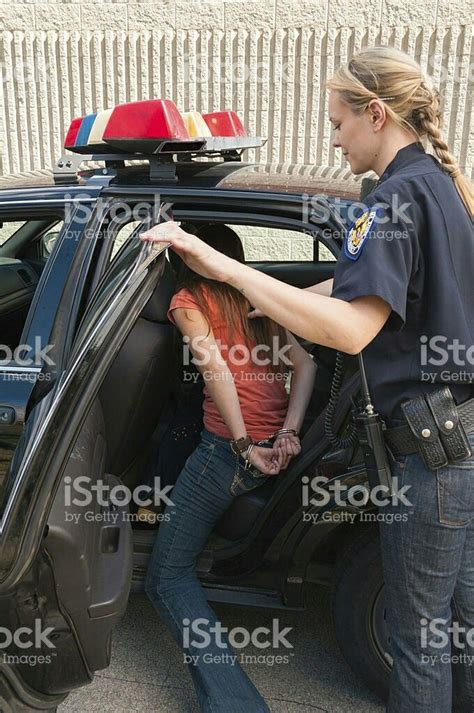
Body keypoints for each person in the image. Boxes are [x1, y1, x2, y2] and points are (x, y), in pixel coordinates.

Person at [141, 47, 474, 713]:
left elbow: (350, 330)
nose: (333, 136)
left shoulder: (392, 198)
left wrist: (227, 269)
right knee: (457, 626)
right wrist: (278, 299)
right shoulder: (438, 185)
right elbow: (369, 294)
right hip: (458, 441)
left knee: (419, 648)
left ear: (375, 114)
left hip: (430, 460)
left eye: (338, 122)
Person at [144, 223, 317, 712]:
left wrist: (242, 446)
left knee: (167, 577)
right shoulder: (257, 292)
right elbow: (305, 367)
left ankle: (236, 704)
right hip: (275, 448)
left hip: (228, 455)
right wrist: (288, 433)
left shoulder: (185, 301)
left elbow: (214, 370)